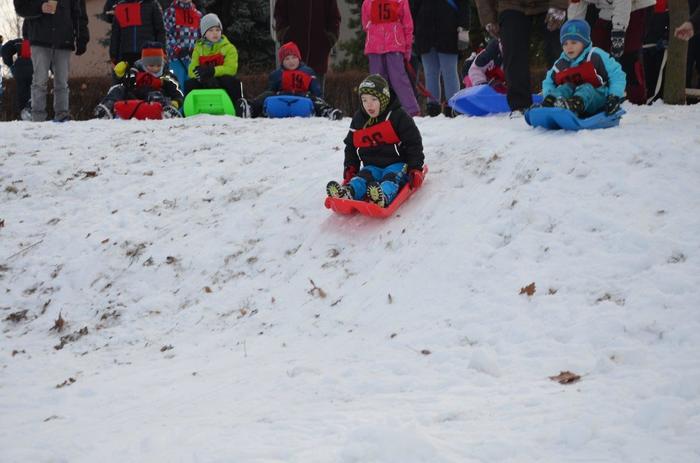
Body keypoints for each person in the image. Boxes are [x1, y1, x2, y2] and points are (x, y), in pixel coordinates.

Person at [326, 74, 424, 208]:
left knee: (390, 179)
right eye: (364, 100)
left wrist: (415, 168)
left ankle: (382, 195)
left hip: (397, 164)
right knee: (361, 179)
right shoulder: (359, 119)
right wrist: (351, 166)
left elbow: (413, 143)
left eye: (374, 99)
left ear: (383, 99)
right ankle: (347, 192)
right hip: (371, 166)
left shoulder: (398, 116)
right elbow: (351, 145)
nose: (369, 105)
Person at [475, 0, 567, 112]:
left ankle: (565, 95)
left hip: (547, 3)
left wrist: (559, 5)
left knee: (560, 46)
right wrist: (489, 18)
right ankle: (520, 105)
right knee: (513, 48)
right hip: (511, 4)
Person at [568, 0, 656, 105]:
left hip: (636, 6)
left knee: (629, 55)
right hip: (607, 8)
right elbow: (577, 6)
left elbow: (623, 2)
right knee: (596, 52)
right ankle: (594, 96)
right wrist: (573, 35)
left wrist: (619, 32)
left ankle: (636, 101)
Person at [14, 0, 89, 122]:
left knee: (62, 82)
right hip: (39, 38)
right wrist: (40, 7)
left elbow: (79, 13)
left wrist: (82, 37)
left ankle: (62, 115)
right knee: (39, 81)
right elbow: (20, 7)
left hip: (64, 39)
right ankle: (37, 117)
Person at [540, 19, 626, 117]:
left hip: (597, 97)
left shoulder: (595, 55)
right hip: (570, 98)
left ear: (584, 42)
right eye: (565, 44)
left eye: (573, 42)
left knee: (586, 87)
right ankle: (550, 103)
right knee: (565, 87)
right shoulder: (561, 63)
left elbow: (616, 74)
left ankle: (574, 106)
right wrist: (548, 94)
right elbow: (549, 81)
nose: (569, 47)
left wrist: (614, 96)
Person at [246, 41, 342, 119]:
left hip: (302, 100)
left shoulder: (307, 72)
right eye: (287, 59)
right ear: (282, 62)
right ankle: (250, 109)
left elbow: (316, 91)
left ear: (299, 58)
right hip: (282, 100)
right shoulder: (277, 74)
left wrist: (317, 98)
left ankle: (328, 111)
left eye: (294, 57)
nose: (291, 61)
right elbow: (271, 90)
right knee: (267, 94)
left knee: (314, 98)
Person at [411, 0, 471, 117]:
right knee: (430, 73)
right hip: (424, 31)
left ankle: (453, 106)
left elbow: (464, 4)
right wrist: (411, 32)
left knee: (449, 72)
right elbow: (413, 7)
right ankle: (432, 107)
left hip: (448, 30)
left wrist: (464, 28)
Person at [361, 0, 421, 116]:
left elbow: (365, 24)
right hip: (392, 43)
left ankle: (385, 110)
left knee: (380, 81)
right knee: (396, 79)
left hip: (378, 44)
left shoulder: (368, 2)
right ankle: (411, 110)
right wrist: (407, 49)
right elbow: (407, 25)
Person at [94, 42, 182, 119]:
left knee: (156, 95)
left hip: (155, 101)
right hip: (135, 99)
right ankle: (107, 107)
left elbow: (177, 92)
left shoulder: (167, 76)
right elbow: (125, 84)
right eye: (151, 66)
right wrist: (120, 75)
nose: (155, 68)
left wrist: (176, 102)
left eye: (158, 65)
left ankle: (168, 112)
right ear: (144, 64)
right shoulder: (135, 72)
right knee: (119, 88)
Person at [185, 13, 248, 117]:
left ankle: (239, 108)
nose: (215, 33)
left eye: (217, 30)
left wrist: (213, 71)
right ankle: (188, 110)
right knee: (190, 83)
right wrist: (201, 75)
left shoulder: (229, 48)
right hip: (205, 80)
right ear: (204, 33)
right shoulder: (198, 49)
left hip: (221, 80)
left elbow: (231, 69)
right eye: (210, 30)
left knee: (231, 81)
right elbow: (191, 70)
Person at [273, 0, 341, 96]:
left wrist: (329, 38)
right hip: (292, 58)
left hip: (318, 57)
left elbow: (334, 17)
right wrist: (284, 35)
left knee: (316, 98)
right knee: (290, 99)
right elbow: (280, 14)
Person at [109, 0, 165, 65]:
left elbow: (160, 31)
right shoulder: (121, 6)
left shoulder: (152, 5)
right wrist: (113, 54)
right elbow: (115, 33)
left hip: (148, 53)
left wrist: (162, 50)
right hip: (126, 54)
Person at [163, 0, 202, 89]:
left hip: (192, 58)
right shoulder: (170, 12)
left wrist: (196, 50)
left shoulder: (198, 14)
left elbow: (201, 36)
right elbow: (167, 34)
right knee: (178, 85)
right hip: (176, 58)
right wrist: (177, 49)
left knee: (192, 85)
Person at [1, 23, 34, 118]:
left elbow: (4, 50)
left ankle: (24, 111)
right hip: (35, 67)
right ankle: (32, 108)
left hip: (20, 68)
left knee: (22, 91)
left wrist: (10, 64)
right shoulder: (41, 44)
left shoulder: (19, 42)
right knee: (36, 89)